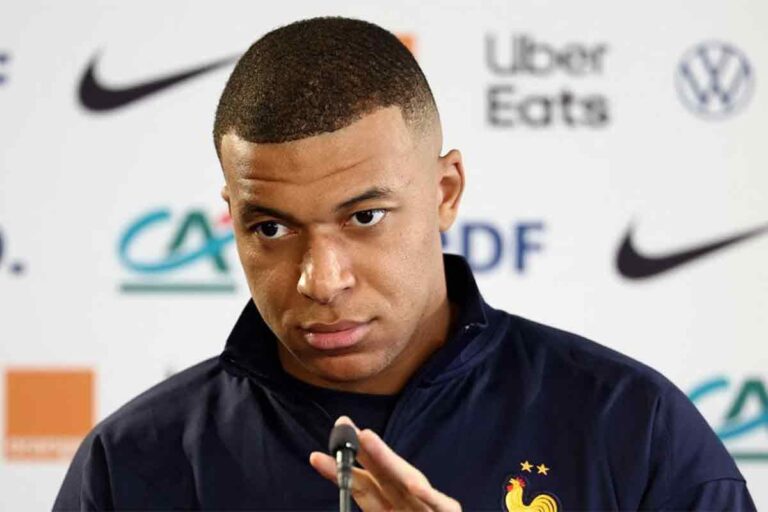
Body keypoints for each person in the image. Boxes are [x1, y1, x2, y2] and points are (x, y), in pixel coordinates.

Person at [54, 17, 755, 511]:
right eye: (271, 227)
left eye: (365, 217)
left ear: (445, 192)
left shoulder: (631, 427)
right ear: (232, 217)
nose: (322, 280)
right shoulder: (133, 462)